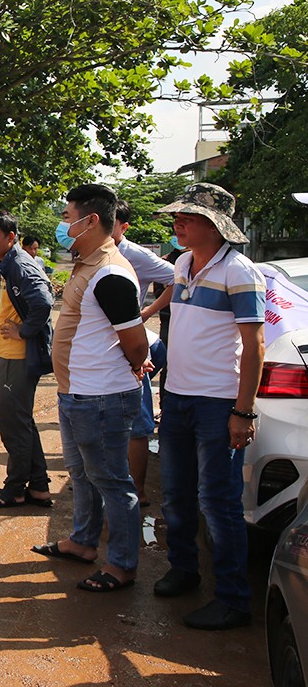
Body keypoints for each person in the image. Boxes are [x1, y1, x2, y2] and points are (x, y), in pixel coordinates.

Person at [152, 183, 265, 631]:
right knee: (177, 494)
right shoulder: (182, 264)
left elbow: (253, 346)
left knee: (218, 502)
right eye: (178, 216)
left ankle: (234, 597)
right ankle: (184, 569)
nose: (178, 223)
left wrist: (244, 411)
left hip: (219, 404)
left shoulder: (240, 272)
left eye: (188, 217)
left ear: (216, 226)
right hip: (178, 397)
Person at [30, 184, 147, 597]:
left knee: (112, 481)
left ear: (91, 220)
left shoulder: (111, 273)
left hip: (101, 397)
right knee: (82, 474)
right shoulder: (88, 263)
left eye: (67, 217)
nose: (63, 226)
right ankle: (82, 541)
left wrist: (136, 365)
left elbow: (136, 343)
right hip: (76, 393)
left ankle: (122, 564)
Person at [0, 210, 55, 510]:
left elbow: (43, 302)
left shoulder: (20, 264)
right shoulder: (7, 264)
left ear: (11, 237)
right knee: (21, 422)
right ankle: (38, 486)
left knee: (13, 425)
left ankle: (14, 489)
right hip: (10, 356)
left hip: (17, 358)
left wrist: (24, 330)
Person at [111, 199, 175, 505]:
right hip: (108, 350)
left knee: (137, 423)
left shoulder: (135, 255)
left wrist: (148, 310)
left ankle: (136, 491)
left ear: (123, 227)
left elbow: (180, 278)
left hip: (133, 348)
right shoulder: (89, 253)